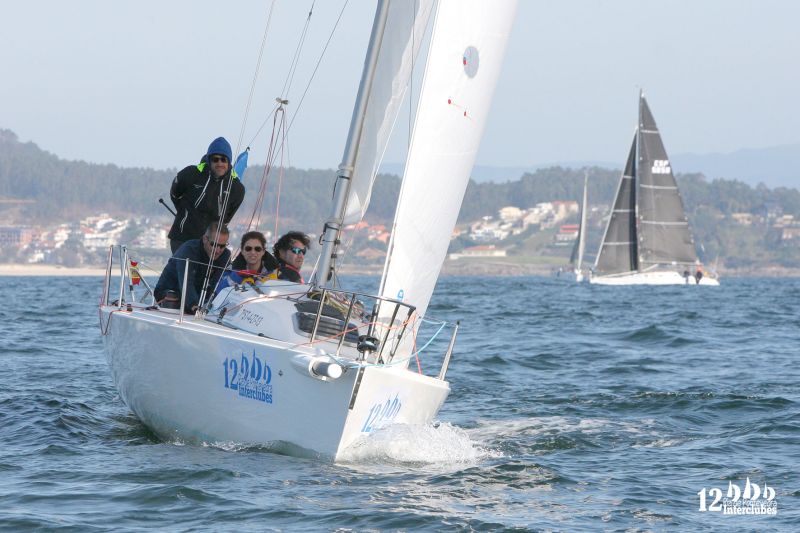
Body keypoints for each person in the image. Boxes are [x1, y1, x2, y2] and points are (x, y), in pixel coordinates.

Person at [167, 137, 245, 253]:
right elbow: (175, 194)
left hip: (211, 244)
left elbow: (227, 218)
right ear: (209, 160)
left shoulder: (236, 188)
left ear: (229, 162)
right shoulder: (191, 174)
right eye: (215, 159)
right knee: (184, 264)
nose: (219, 163)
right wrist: (184, 214)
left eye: (223, 160)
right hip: (182, 238)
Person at [154, 223, 231, 312]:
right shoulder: (188, 250)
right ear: (205, 239)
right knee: (173, 296)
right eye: (213, 244)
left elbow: (217, 284)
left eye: (222, 246)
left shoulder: (225, 255)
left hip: (199, 297)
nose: (217, 250)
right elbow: (186, 281)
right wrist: (194, 305)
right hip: (170, 292)